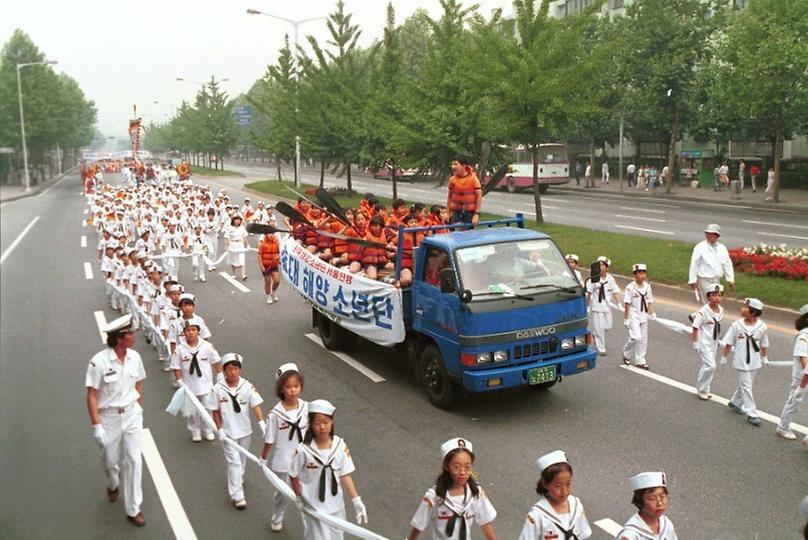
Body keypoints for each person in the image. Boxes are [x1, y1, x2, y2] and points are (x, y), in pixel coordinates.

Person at [85, 314, 147, 527]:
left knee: (133, 460)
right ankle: (113, 484)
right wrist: (96, 425)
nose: (133, 336)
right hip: (108, 418)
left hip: (131, 415)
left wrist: (137, 405)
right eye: (130, 333)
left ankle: (133, 508)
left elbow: (138, 382)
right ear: (120, 339)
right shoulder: (98, 362)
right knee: (110, 461)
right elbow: (92, 394)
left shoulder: (135, 358)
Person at [289, 399, 367, 540]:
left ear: (332, 422)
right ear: (311, 425)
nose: (322, 427)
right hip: (314, 507)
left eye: (326, 422)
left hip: (336, 507)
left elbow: (345, 475)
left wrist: (356, 500)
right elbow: (293, 474)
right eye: (317, 423)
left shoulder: (340, 446)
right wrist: (298, 496)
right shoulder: (304, 450)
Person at [408, 437, 496, 540]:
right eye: (457, 467)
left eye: (467, 467)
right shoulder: (434, 496)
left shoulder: (476, 493)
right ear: (446, 466)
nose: (462, 472)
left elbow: (485, 522)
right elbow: (418, 525)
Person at [211, 353, 265, 510]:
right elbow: (215, 411)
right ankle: (237, 495)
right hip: (228, 433)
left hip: (244, 431)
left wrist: (261, 422)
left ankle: (238, 478)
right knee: (233, 462)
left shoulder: (247, 386)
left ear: (240, 370)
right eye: (229, 369)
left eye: (235, 368)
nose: (232, 372)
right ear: (224, 370)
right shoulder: (218, 389)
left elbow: (255, 405)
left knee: (241, 460)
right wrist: (219, 428)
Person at [260, 363, 308, 532]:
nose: (293, 390)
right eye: (288, 387)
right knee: (283, 493)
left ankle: (311, 526)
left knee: (307, 494)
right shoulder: (275, 414)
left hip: (305, 459)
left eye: (296, 386)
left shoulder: (306, 408)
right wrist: (263, 458)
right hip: (284, 460)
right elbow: (270, 439)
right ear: (281, 389)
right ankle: (277, 517)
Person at [518, 450, 591, 540]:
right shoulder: (538, 515)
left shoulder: (576, 505)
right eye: (558, 486)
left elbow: (583, 534)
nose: (564, 491)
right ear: (545, 484)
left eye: (568, 484)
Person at [170, 316, 222, 441]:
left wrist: (220, 376)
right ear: (184, 333)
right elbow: (176, 366)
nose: (191, 333)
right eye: (188, 330)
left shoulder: (207, 346)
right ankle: (195, 430)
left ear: (198, 331)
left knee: (208, 407)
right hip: (189, 384)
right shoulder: (180, 349)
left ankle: (208, 429)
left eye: (193, 330)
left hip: (206, 383)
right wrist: (179, 381)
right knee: (192, 410)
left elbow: (216, 361)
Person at [720, 298, 770, 427]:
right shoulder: (737, 325)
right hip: (741, 360)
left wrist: (764, 357)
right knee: (747, 386)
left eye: (745, 308)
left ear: (753, 312)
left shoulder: (762, 326)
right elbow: (729, 342)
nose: (742, 309)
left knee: (747, 384)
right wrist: (724, 357)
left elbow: (764, 344)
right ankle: (752, 413)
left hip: (754, 360)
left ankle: (735, 402)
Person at [776, 304, 808, 440]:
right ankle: (783, 427)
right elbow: (803, 357)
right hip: (802, 376)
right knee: (794, 401)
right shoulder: (804, 336)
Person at [616, 472, 677, 540]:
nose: (659, 503)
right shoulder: (631, 535)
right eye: (652, 499)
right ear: (640, 502)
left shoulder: (666, 524)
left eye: (662, 496)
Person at [691, 284, 724, 400]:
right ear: (708, 297)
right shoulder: (703, 311)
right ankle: (701, 388)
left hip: (713, 343)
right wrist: (696, 343)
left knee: (708, 366)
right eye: (714, 295)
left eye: (719, 295)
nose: (717, 298)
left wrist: (718, 340)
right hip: (703, 343)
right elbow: (695, 326)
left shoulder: (721, 310)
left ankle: (705, 388)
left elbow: (717, 326)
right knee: (711, 366)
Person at [688, 224, 735, 304]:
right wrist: (693, 280)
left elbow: (727, 264)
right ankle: (707, 315)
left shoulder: (722, 248)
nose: (709, 236)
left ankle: (713, 315)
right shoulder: (700, 247)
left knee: (716, 301)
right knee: (707, 302)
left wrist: (730, 279)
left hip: (716, 279)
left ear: (717, 236)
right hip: (704, 279)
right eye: (707, 233)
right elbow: (694, 264)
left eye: (711, 234)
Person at [622, 264, 655, 369]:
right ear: (635, 275)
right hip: (633, 315)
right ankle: (626, 353)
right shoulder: (630, 288)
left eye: (644, 273)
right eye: (640, 273)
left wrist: (652, 312)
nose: (643, 276)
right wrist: (626, 318)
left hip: (643, 315)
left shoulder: (647, 287)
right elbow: (627, 304)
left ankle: (640, 360)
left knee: (643, 340)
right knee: (636, 337)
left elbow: (649, 301)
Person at [587, 256, 621, 357]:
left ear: (607, 268)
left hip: (607, 307)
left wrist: (619, 303)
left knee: (608, 327)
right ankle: (601, 347)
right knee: (600, 328)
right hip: (597, 308)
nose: (600, 267)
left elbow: (615, 291)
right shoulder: (593, 279)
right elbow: (589, 293)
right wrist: (587, 306)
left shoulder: (610, 279)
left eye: (602, 265)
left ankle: (596, 334)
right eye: (599, 265)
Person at [446, 155, 482, 225]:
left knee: (467, 233)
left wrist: (476, 214)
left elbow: (479, 196)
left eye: (456, 164)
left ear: (463, 165)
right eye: (452, 164)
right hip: (456, 211)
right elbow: (450, 196)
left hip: (469, 212)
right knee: (454, 232)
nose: (453, 167)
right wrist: (447, 212)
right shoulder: (452, 180)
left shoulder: (473, 179)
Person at [258, 230, 281, 304]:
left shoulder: (277, 243)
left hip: (274, 264)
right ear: (266, 234)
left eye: (272, 233)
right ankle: (268, 296)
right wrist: (261, 265)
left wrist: (279, 258)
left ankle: (273, 292)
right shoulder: (262, 244)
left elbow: (280, 252)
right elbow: (259, 255)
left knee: (277, 281)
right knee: (267, 281)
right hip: (266, 265)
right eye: (269, 233)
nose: (271, 235)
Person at [225, 214, 250, 281]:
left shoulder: (242, 228)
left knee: (242, 259)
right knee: (233, 259)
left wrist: (247, 244)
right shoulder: (230, 228)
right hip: (233, 244)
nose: (238, 221)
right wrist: (228, 246)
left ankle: (243, 275)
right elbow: (227, 237)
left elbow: (245, 236)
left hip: (240, 244)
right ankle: (234, 274)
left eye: (239, 220)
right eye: (236, 219)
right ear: (233, 221)